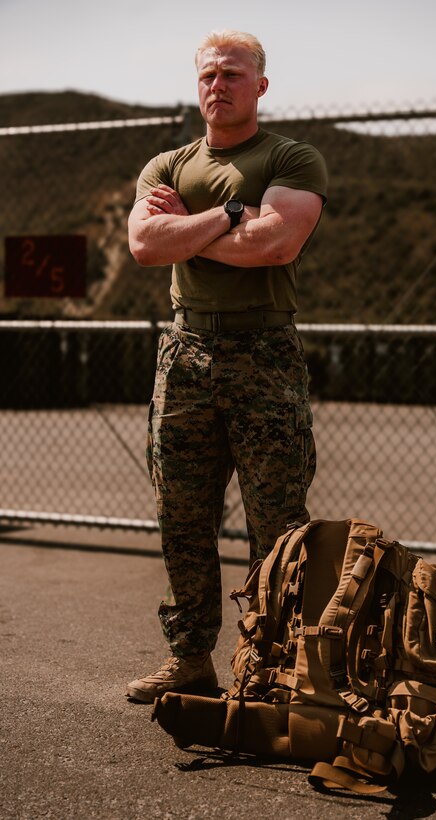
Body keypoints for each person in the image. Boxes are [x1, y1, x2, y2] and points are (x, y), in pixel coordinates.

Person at [126, 30, 328, 702]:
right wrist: (228, 216)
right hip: (184, 355)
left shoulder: (290, 157)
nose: (219, 85)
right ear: (197, 85)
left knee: (275, 523)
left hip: (262, 354)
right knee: (181, 517)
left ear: (260, 86)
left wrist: (194, 227)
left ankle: (272, 666)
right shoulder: (165, 165)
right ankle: (189, 659)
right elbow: (145, 246)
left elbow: (275, 244)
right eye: (209, 75)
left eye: (233, 75)